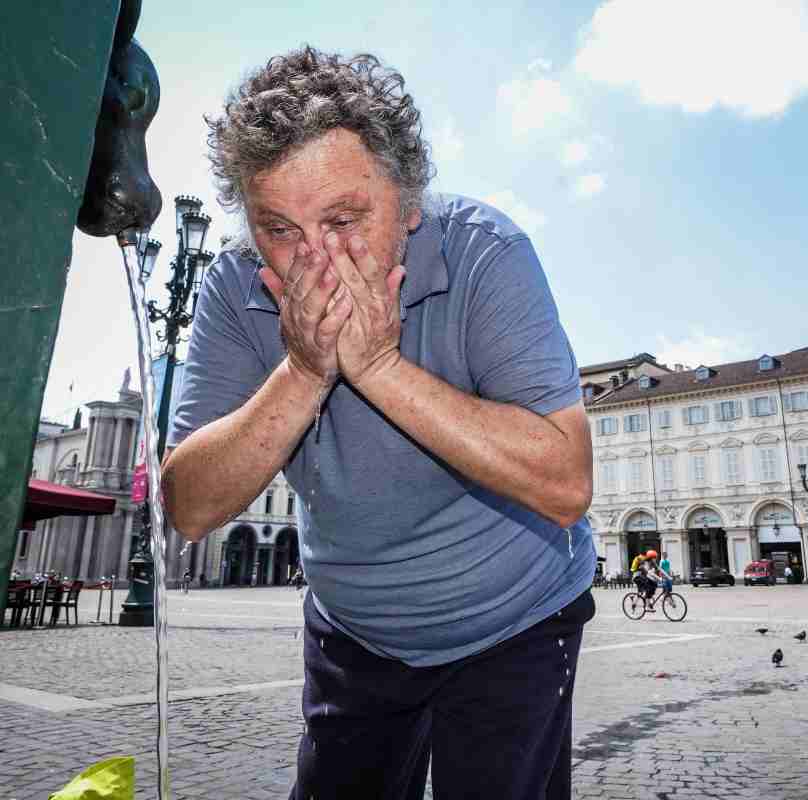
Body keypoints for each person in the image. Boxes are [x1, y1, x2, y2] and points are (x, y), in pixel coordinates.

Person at [162, 47, 595, 800]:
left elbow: (564, 481)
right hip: (355, 627)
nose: (315, 261)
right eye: (279, 228)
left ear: (409, 202)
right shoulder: (232, 289)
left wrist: (380, 367)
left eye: (342, 220)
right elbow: (190, 506)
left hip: (516, 614)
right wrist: (303, 370)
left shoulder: (486, 252)